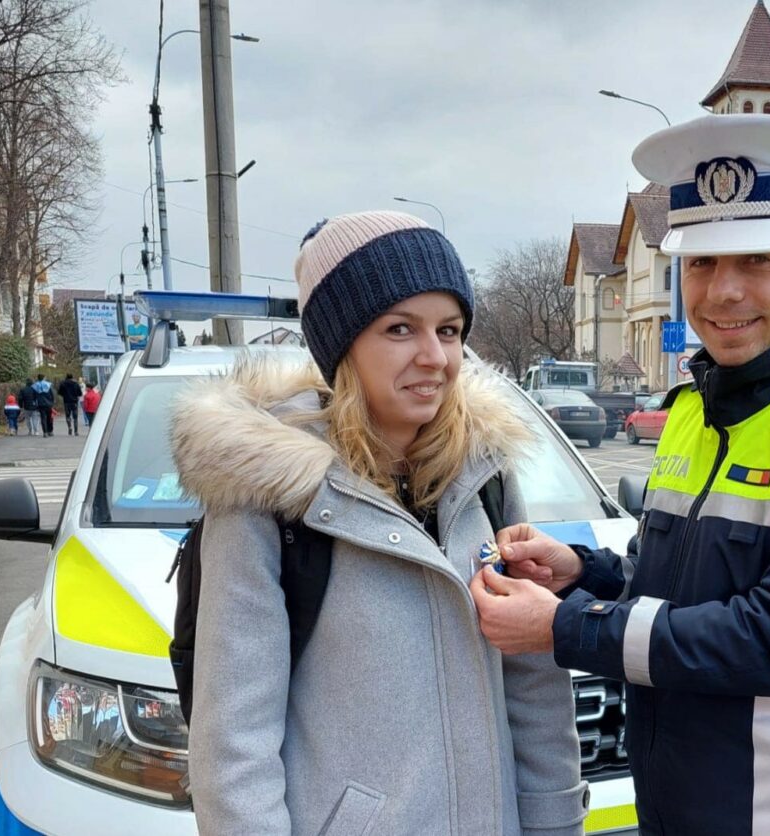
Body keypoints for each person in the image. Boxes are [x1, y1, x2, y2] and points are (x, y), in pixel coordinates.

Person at [472, 115, 770, 836]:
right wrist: (584, 573)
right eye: (701, 263)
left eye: (758, 259)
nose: (723, 292)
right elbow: (672, 586)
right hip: (678, 798)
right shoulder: (693, 405)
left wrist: (565, 628)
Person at [170, 210, 587, 835]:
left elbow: (532, 691)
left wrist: (555, 824)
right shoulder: (269, 497)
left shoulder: (486, 476)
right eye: (400, 328)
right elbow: (234, 745)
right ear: (342, 344)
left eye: (449, 330)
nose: (435, 357)